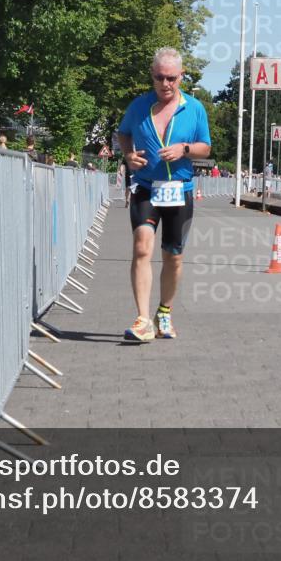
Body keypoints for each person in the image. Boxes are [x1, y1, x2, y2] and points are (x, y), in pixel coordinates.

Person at [117, 47, 211, 343]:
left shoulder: (194, 108)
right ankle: (143, 320)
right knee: (142, 246)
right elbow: (123, 133)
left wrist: (184, 149)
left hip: (179, 192)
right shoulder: (139, 106)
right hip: (146, 187)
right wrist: (128, 155)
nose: (165, 84)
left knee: (174, 256)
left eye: (171, 78)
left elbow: (205, 148)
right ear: (152, 75)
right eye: (159, 77)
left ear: (181, 77)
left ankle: (164, 312)